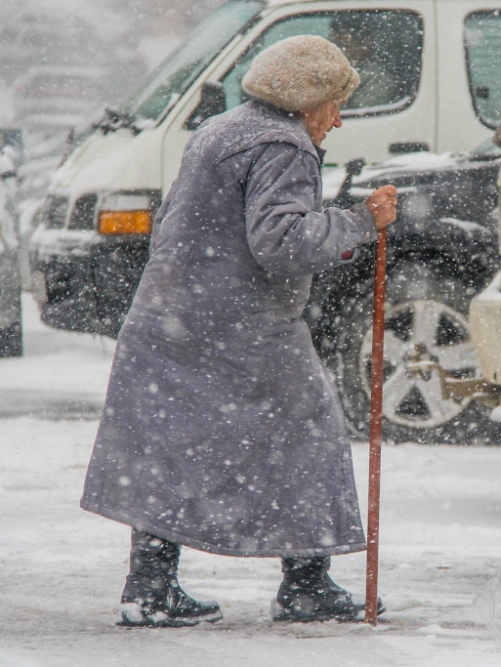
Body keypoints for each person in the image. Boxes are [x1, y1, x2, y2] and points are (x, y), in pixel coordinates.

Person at [80, 35, 398, 627]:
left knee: (168, 443)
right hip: (242, 328)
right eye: (334, 102)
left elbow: (181, 219)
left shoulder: (221, 129)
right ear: (308, 101)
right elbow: (281, 243)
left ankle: (149, 587)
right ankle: (306, 584)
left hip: (170, 315)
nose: (339, 117)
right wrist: (358, 221)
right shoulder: (286, 145)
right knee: (309, 431)